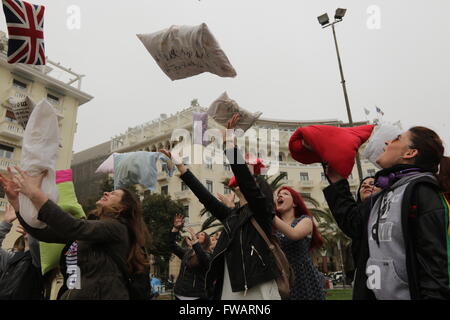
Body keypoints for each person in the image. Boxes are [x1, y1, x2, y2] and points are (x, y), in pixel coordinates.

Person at [160, 113, 281, 300]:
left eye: (248, 184)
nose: (237, 183)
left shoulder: (261, 211)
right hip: (231, 287)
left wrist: (228, 143)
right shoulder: (233, 215)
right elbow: (205, 197)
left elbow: (247, 181)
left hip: (257, 286)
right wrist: (182, 168)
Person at [322, 126, 450, 300]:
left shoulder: (422, 193)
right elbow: (354, 224)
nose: (387, 142)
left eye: (397, 139)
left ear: (410, 153)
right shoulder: (383, 193)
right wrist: (337, 181)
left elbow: (435, 270)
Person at [0, 167, 150, 300]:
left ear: (123, 207)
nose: (106, 192)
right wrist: (17, 203)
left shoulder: (117, 228)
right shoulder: (93, 228)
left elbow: (72, 226)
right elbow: (42, 233)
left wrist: (35, 194)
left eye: (113, 194)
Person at [273, 186, 325, 300]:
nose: (280, 196)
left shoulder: (305, 220)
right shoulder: (273, 227)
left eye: (285, 194)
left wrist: (269, 215)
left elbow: (294, 234)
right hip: (281, 278)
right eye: (278, 195)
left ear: (294, 203)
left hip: (303, 277)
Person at [0, 204, 43, 299]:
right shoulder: (12, 258)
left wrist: (32, 228)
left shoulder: (38, 260)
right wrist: (6, 222)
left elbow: (34, 244)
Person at [169, 215, 211, 300]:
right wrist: (175, 229)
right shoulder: (187, 253)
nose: (199, 234)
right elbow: (172, 245)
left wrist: (195, 243)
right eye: (198, 233)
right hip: (179, 294)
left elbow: (203, 259)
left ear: (206, 240)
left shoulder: (208, 255)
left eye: (202, 234)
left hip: (195, 296)